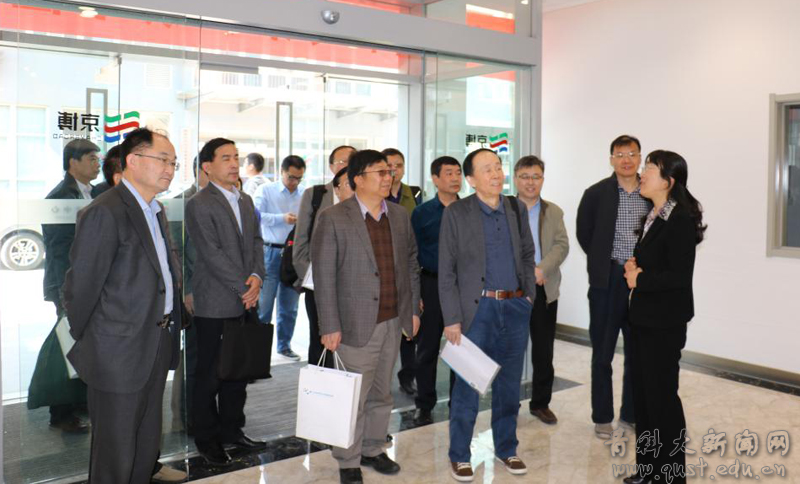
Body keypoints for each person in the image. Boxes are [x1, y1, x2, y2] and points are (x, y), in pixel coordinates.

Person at [62, 128, 183, 483]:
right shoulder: (106, 211)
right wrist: (97, 341)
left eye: (173, 163)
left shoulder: (154, 210)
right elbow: (80, 289)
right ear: (133, 160)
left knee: (145, 444)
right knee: (115, 453)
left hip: (156, 342)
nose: (170, 169)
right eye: (163, 160)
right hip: (118, 351)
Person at [311, 149, 421, 484]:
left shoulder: (398, 215)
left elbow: (411, 263)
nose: (389, 178)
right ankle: (348, 460)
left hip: (392, 320)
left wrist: (412, 309)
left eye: (390, 172)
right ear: (358, 179)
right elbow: (324, 276)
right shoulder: (334, 217)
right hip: (354, 324)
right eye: (381, 172)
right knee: (352, 398)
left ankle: (373, 448)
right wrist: (329, 325)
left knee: (381, 393)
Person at [439, 148, 537, 481]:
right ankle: (459, 454)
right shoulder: (457, 212)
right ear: (470, 179)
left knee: (509, 386)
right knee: (468, 386)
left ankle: (507, 448)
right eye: (487, 169)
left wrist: (528, 296)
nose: (496, 174)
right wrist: (451, 318)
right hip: (476, 311)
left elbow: (527, 253)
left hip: (514, 307)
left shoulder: (515, 207)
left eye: (498, 167)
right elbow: (446, 270)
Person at [622, 151, 705, 484]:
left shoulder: (679, 219)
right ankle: (647, 470)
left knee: (662, 400)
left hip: (665, 323)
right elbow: (655, 261)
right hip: (643, 318)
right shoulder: (655, 214)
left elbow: (678, 277)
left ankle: (670, 476)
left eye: (650, 168)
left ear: (668, 181)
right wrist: (635, 266)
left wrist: (639, 278)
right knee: (644, 398)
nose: (642, 173)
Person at [186, 138, 267, 466]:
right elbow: (211, 253)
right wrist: (244, 286)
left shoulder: (245, 200)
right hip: (215, 302)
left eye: (236, 157)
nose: (234, 163)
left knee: (238, 372)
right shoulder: (199, 203)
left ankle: (233, 431)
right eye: (225, 158)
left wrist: (257, 276)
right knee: (209, 375)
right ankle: (207, 439)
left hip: (245, 299)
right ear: (207, 166)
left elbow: (257, 242)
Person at [576, 134, 650, 439]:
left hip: (641, 283)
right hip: (607, 281)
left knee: (638, 353)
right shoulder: (596, 193)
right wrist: (604, 262)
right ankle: (603, 417)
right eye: (620, 154)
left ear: (640, 157)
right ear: (611, 160)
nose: (626, 160)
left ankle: (631, 414)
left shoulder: (651, 192)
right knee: (602, 353)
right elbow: (584, 234)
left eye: (632, 153)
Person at [34, 138, 100, 434]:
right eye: (91, 158)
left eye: (98, 159)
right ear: (73, 162)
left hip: (89, 283)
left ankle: (78, 403)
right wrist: (66, 292)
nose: (97, 164)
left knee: (83, 344)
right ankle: (59, 414)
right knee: (66, 346)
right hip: (67, 284)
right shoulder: (60, 197)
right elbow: (59, 250)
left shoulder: (93, 193)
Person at [513, 156, 569, 425]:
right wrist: (523, 275)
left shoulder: (553, 211)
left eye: (536, 176)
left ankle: (540, 403)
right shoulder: (504, 209)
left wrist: (541, 269)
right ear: (516, 179)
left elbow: (561, 245)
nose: (530, 182)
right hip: (512, 290)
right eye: (525, 176)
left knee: (543, 351)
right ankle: (508, 402)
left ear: (543, 179)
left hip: (544, 287)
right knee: (511, 349)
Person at [293, 145, 356, 368]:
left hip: (353, 287)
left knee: (350, 343)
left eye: (353, 160)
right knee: (320, 340)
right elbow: (300, 242)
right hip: (318, 284)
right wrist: (314, 280)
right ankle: (320, 386)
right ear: (331, 167)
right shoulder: (316, 195)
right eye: (342, 161)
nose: (347, 165)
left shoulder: (365, 198)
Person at [410, 155, 462, 425]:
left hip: (461, 286)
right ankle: (424, 403)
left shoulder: (469, 210)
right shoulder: (422, 213)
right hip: (430, 284)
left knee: (460, 347)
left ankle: (458, 402)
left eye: (458, 173)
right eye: (449, 173)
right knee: (427, 348)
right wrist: (416, 293)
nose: (455, 178)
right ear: (435, 178)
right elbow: (411, 254)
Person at [254, 155, 306, 360]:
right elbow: (256, 216)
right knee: (264, 306)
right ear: (282, 172)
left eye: (299, 178)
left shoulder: (304, 194)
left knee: (289, 306)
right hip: (270, 251)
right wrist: (281, 218)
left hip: (293, 254)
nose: (295, 182)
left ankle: (284, 346)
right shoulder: (266, 190)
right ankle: (258, 350)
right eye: (291, 177)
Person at [381, 147, 422, 396]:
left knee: (410, 329)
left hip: (407, 268)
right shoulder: (377, 194)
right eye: (389, 166)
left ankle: (407, 376)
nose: (394, 170)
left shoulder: (413, 194)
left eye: (399, 165)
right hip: (384, 269)